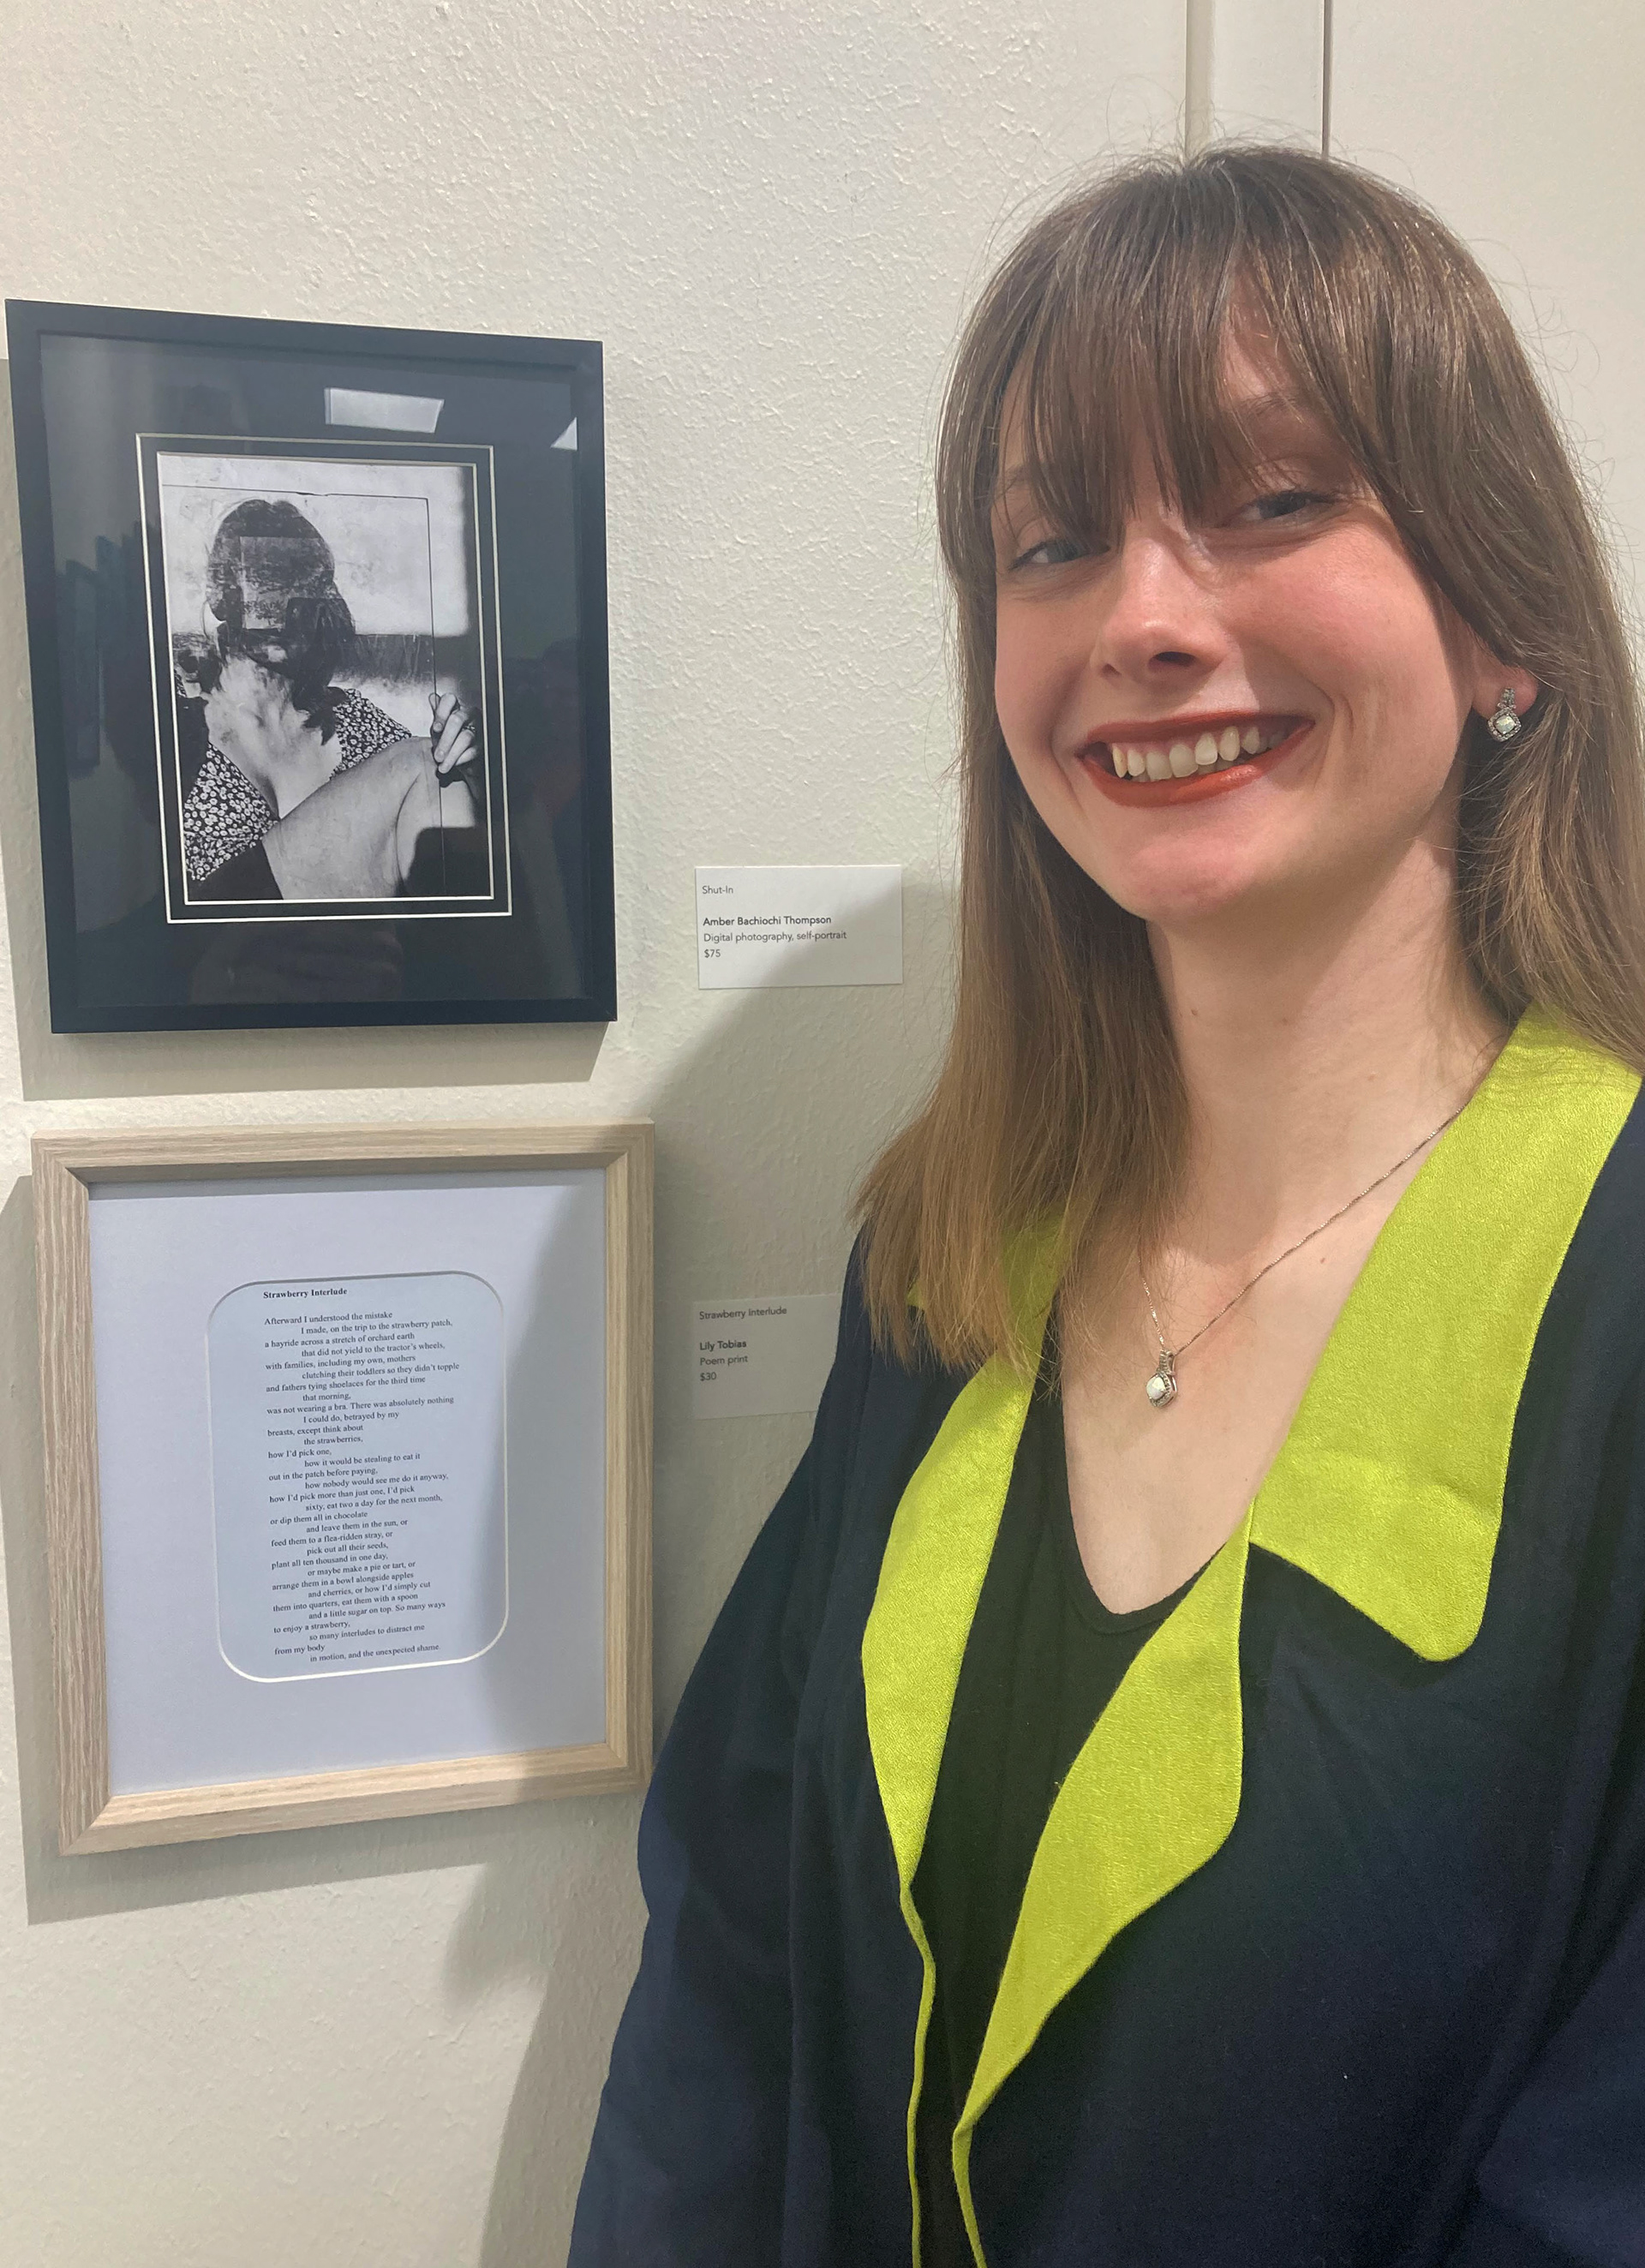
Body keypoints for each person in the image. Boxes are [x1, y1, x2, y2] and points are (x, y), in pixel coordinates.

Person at [571, 144, 1645, 2267]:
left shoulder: (1614, 1296)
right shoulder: (949, 1260)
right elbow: (730, 1982)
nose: (1142, 621)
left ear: (1505, 619)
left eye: (1273, 499)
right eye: (1051, 543)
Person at [176, 497, 478, 901]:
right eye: (264, 582)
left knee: (436, 769)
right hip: (222, 933)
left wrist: (465, 760)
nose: (282, 608)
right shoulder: (181, 718)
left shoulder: (354, 722)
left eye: (299, 587)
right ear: (221, 597)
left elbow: (434, 792)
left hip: (345, 939)